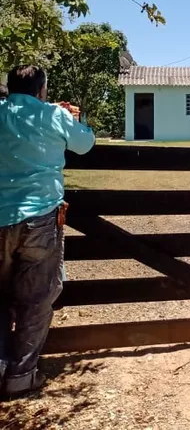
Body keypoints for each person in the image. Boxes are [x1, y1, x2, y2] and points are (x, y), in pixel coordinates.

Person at [0, 66, 94, 398]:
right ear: (42, 89)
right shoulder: (54, 114)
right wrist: (69, 117)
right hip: (40, 217)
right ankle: (20, 375)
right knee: (37, 298)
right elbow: (84, 144)